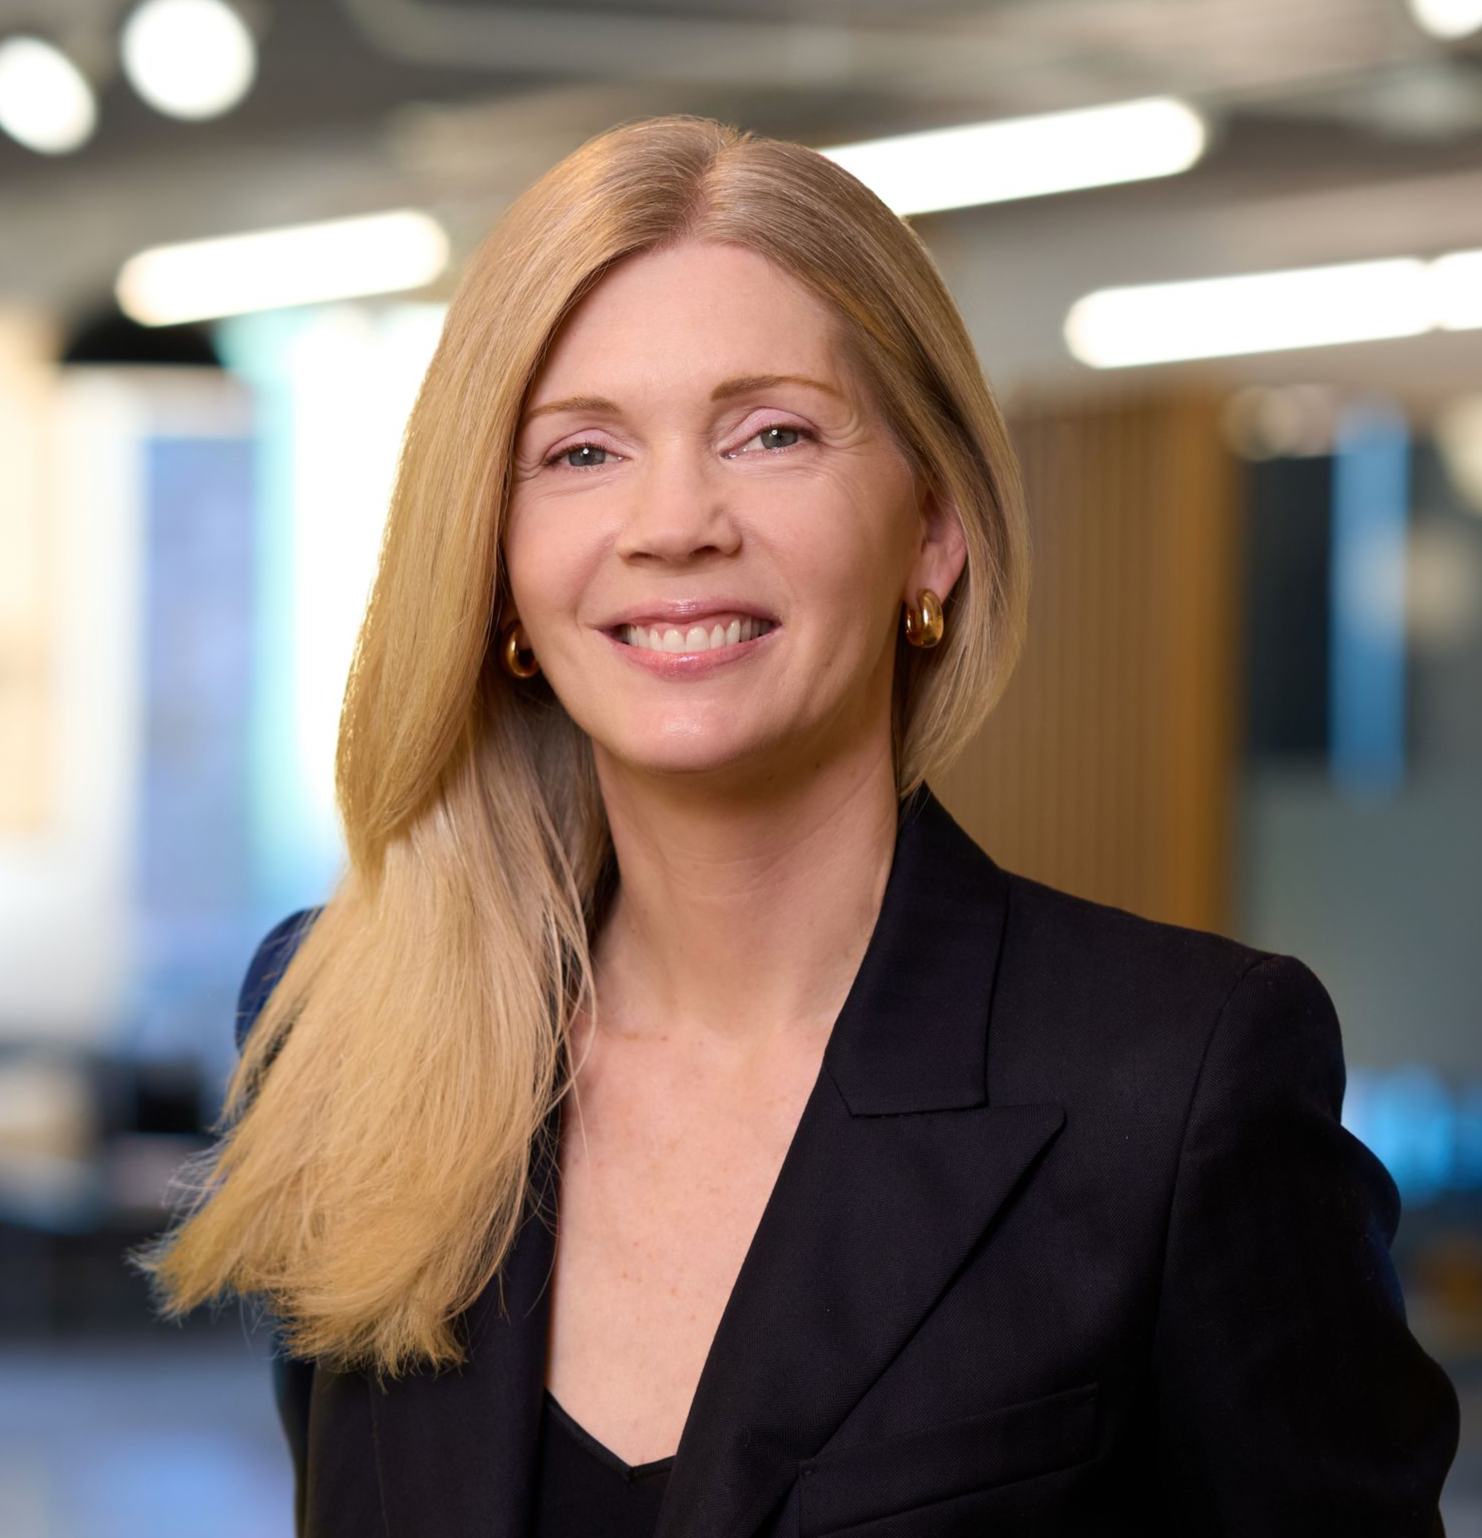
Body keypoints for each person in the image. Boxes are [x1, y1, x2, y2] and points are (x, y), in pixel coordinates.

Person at [133, 115, 1459, 1537]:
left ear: (934, 525)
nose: (673, 521)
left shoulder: (1177, 1083)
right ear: (497, 563)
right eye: (580, 452)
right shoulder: (344, 1029)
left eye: (769, 432)